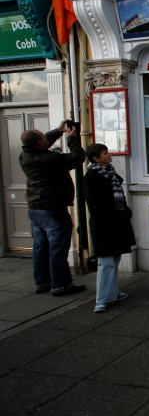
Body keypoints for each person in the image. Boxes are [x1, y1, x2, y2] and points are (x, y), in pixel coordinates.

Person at [19, 121, 86, 296]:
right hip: (52, 208)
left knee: (40, 247)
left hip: (35, 208)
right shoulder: (50, 159)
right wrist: (72, 140)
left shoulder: (25, 155)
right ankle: (61, 285)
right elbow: (77, 158)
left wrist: (58, 131)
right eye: (42, 137)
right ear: (40, 143)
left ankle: (42, 282)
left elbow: (42, 142)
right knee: (58, 248)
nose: (45, 138)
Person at [83, 144, 136, 313]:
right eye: (105, 153)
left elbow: (120, 199)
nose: (109, 155)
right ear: (96, 158)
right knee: (105, 262)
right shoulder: (91, 177)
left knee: (114, 260)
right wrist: (118, 215)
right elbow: (95, 207)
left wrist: (126, 213)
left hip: (117, 224)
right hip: (104, 226)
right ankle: (102, 299)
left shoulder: (111, 173)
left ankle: (112, 293)